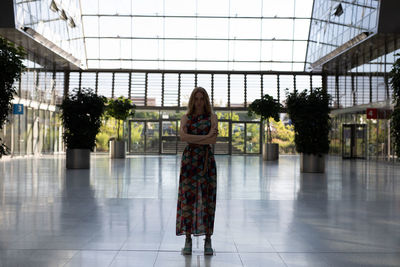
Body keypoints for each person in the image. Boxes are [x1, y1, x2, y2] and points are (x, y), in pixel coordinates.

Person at [176, 87, 218, 255]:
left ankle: (208, 239)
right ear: (192, 100)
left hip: (206, 161)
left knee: (207, 199)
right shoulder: (185, 118)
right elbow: (183, 138)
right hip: (189, 161)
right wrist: (204, 137)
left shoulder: (212, 117)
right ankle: (188, 239)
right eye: (196, 98)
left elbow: (213, 139)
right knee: (188, 199)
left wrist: (197, 138)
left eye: (202, 99)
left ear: (206, 100)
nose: (199, 102)